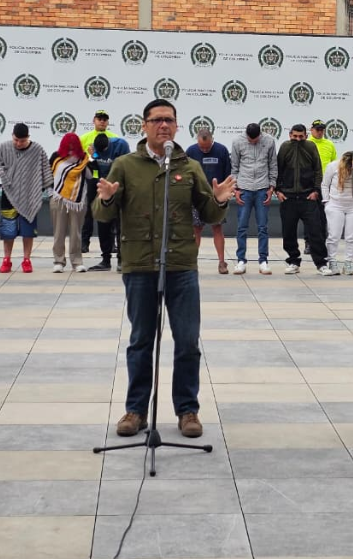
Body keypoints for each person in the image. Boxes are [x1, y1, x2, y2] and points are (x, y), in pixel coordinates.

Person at [93, 98, 236, 439]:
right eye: (156, 120)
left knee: (187, 341)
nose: (164, 126)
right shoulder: (126, 166)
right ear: (143, 126)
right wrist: (109, 197)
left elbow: (210, 214)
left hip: (181, 265)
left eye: (169, 120)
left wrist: (217, 200)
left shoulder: (189, 167)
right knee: (142, 340)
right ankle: (136, 410)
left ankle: (188, 410)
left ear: (176, 125)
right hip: (140, 265)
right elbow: (102, 213)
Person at [0, 123, 51, 274]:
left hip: (30, 195)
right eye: (16, 140)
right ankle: (6, 259)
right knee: (7, 230)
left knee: (28, 231)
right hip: (8, 194)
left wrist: (48, 188)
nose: (18, 143)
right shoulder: (3, 147)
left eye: (22, 141)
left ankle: (26, 259)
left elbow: (45, 169)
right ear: (12, 136)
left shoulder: (37, 150)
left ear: (28, 138)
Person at [277, 124, 334, 276]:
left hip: (308, 197)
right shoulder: (284, 147)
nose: (297, 139)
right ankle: (293, 261)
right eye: (294, 136)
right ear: (290, 135)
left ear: (306, 135)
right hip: (288, 197)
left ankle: (321, 264)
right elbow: (278, 170)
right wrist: (279, 191)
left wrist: (316, 191)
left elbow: (317, 170)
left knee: (316, 231)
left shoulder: (310, 147)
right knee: (288, 232)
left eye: (301, 136)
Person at [230, 122, 277, 275]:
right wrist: (235, 189)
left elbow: (273, 165)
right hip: (244, 188)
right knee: (242, 227)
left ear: (260, 135)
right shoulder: (237, 141)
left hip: (262, 188)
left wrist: (271, 188)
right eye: (250, 141)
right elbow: (235, 167)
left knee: (263, 227)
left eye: (255, 140)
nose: (253, 142)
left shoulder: (269, 141)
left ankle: (263, 261)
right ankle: (241, 261)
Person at [185, 131, 232, 274]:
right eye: (202, 147)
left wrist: (224, 193)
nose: (204, 150)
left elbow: (227, 173)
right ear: (197, 142)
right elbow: (187, 173)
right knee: (196, 230)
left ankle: (222, 262)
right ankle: (193, 263)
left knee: (217, 229)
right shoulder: (191, 151)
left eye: (207, 147)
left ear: (212, 140)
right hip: (197, 197)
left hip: (216, 197)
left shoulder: (221, 150)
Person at [87, 132, 131, 272]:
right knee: (102, 225)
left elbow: (127, 167)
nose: (102, 154)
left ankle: (121, 259)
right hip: (103, 190)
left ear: (109, 145)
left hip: (119, 189)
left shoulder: (121, 145)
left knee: (120, 226)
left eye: (104, 151)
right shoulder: (95, 148)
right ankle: (105, 260)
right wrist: (93, 155)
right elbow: (93, 166)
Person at [49, 132, 92, 273]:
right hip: (58, 198)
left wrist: (90, 159)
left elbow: (90, 176)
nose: (71, 149)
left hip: (78, 200)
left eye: (74, 146)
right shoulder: (56, 157)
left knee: (76, 232)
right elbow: (49, 175)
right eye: (69, 145)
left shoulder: (84, 159)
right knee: (59, 232)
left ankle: (77, 262)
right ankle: (58, 261)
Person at [79, 111, 121, 253]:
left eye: (105, 119)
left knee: (111, 212)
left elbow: (117, 159)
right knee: (89, 212)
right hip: (92, 179)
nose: (102, 122)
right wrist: (91, 156)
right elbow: (81, 158)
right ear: (94, 120)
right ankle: (84, 243)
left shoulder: (115, 139)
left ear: (108, 122)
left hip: (109, 179)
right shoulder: (84, 138)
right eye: (99, 119)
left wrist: (95, 155)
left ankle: (112, 244)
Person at [322, 150, 353, 275]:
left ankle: (348, 263)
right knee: (334, 236)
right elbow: (324, 185)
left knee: (351, 237)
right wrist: (326, 201)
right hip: (335, 205)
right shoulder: (333, 166)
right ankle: (332, 261)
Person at [306, 120, 337, 255]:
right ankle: (308, 243)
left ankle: (322, 241)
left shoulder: (329, 144)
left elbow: (335, 163)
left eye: (322, 129)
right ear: (311, 130)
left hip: (326, 185)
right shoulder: (307, 143)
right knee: (309, 216)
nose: (319, 132)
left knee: (324, 215)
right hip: (309, 185)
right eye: (317, 129)